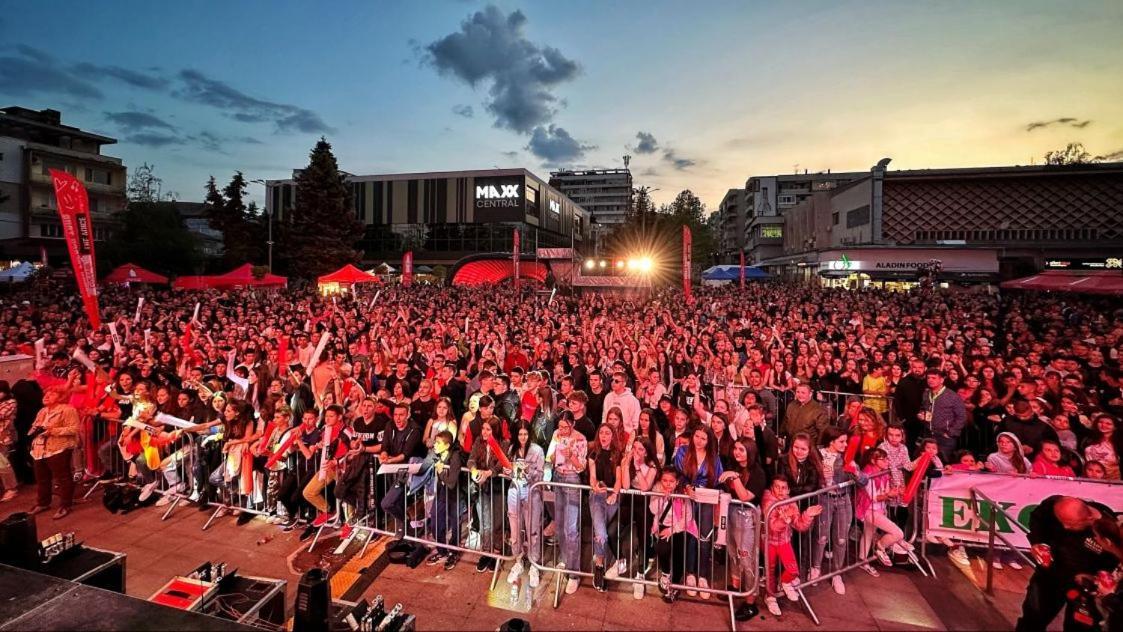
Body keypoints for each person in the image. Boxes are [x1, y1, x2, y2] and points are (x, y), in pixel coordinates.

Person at [1016, 496, 1118, 632]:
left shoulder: (1108, 527)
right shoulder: (1055, 505)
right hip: (1049, 577)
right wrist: (1038, 542)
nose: (1065, 527)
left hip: (1084, 589)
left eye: (1071, 524)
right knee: (1032, 619)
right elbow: (1037, 519)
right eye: (1062, 521)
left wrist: (1094, 578)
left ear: (1090, 519)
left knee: (1078, 628)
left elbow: (1113, 560)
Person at [762, 474, 821, 617]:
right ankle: (770, 597)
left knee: (793, 570)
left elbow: (800, 525)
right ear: (772, 488)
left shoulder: (791, 502)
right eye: (777, 487)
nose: (780, 491)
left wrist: (808, 515)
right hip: (768, 542)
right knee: (770, 570)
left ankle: (784, 583)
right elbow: (773, 526)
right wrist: (785, 518)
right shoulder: (768, 501)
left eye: (784, 488)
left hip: (784, 541)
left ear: (788, 490)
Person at [720, 438, 765, 620]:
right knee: (733, 552)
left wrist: (735, 477)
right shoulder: (733, 466)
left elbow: (745, 496)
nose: (737, 452)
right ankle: (734, 586)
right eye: (736, 448)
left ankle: (750, 602)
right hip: (731, 513)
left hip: (748, 517)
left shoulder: (758, 472)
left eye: (742, 450)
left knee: (747, 559)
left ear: (750, 452)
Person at [811, 426, 860, 594]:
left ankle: (836, 573)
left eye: (846, 441)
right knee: (821, 536)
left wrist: (856, 471)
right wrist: (820, 477)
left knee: (840, 539)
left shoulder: (847, 457)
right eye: (842, 441)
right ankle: (815, 567)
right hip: (824, 500)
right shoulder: (816, 454)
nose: (845, 445)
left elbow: (863, 481)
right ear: (831, 442)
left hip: (843, 500)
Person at [545, 411, 588, 595]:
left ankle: (574, 573)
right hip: (557, 477)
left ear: (573, 424)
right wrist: (556, 452)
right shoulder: (556, 435)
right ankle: (564, 558)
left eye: (565, 427)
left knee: (571, 528)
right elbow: (551, 459)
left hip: (571, 480)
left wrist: (571, 455)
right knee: (560, 523)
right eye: (560, 426)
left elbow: (581, 467)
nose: (562, 430)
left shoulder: (580, 439)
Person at [504, 422, 544, 587]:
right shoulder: (512, 449)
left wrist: (529, 471)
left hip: (531, 493)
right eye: (520, 434)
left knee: (532, 530)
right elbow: (508, 472)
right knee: (515, 529)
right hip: (514, 491)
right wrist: (507, 472)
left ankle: (534, 564)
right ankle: (518, 560)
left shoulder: (537, 450)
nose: (522, 437)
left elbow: (541, 474)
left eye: (525, 434)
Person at [650, 466, 698, 604]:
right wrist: (662, 499)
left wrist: (673, 529)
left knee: (678, 553)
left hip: (680, 527)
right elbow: (652, 510)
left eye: (671, 481)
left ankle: (676, 583)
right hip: (663, 524)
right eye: (664, 480)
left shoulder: (682, 495)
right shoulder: (658, 491)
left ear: (677, 482)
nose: (667, 484)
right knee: (661, 548)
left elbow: (687, 516)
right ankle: (665, 573)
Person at [467, 420, 507, 572]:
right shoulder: (478, 441)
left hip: (497, 486)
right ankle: (486, 552)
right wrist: (474, 471)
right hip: (482, 487)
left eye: (488, 429)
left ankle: (496, 552)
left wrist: (488, 473)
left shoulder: (504, 442)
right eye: (483, 428)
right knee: (484, 522)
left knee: (497, 522)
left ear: (495, 431)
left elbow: (501, 463)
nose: (484, 432)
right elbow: (471, 459)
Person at [588, 423, 622, 591]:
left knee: (603, 533)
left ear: (612, 435)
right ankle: (599, 565)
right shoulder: (594, 452)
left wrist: (614, 494)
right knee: (601, 533)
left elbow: (618, 479)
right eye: (601, 432)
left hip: (612, 496)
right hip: (597, 496)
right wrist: (594, 486)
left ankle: (600, 558)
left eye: (607, 433)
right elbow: (592, 476)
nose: (604, 436)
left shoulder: (617, 454)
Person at [424, 430, 464, 571]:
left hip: (455, 496)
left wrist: (440, 471)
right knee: (435, 522)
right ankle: (442, 551)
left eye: (438, 443)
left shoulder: (456, 457)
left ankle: (454, 552)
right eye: (435, 442)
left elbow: (452, 482)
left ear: (447, 445)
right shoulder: (437, 454)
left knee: (455, 525)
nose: (435, 445)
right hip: (441, 494)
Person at [921, 368, 967, 463]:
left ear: (941, 380)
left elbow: (961, 416)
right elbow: (923, 408)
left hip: (944, 437)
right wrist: (921, 414)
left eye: (934, 378)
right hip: (928, 435)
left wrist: (950, 433)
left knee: (944, 463)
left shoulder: (952, 396)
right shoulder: (926, 393)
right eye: (928, 378)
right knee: (927, 464)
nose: (930, 380)